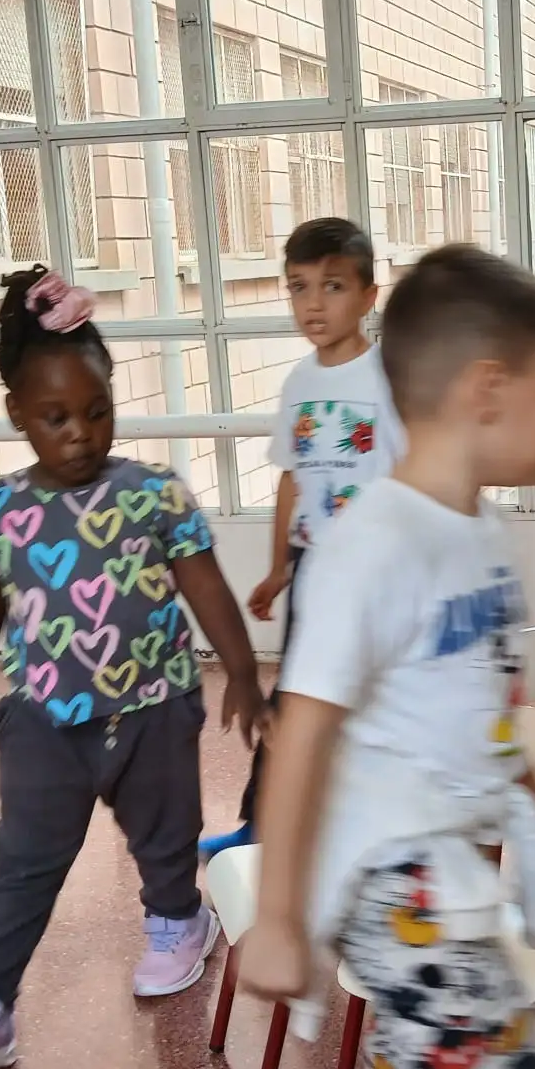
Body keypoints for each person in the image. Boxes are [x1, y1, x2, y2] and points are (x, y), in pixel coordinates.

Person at [237, 245, 535, 1069]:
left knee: (418, 1064)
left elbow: (485, 697)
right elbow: (303, 733)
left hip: (446, 861)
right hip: (385, 869)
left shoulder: (478, 536)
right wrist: (280, 918)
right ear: (488, 389)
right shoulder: (372, 543)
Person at [0, 269, 265, 1069]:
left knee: (164, 839)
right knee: (21, 863)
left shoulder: (154, 494)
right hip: (43, 719)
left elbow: (204, 585)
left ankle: (179, 922)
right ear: (17, 414)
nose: (80, 434)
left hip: (154, 708)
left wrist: (242, 672)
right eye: (56, 417)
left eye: (97, 411)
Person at [200, 217, 405, 859]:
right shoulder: (299, 383)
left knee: (372, 703)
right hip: (314, 569)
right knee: (293, 698)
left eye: (333, 286)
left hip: (375, 575)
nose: (314, 303)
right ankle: (261, 826)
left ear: (368, 296)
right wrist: (278, 568)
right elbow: (293, 480)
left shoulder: (389, 380)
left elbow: (412, 478)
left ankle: (373, 830)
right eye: (299, 287)